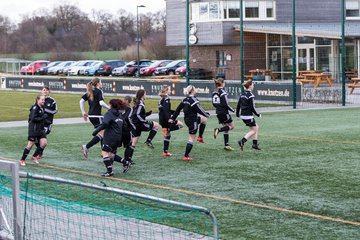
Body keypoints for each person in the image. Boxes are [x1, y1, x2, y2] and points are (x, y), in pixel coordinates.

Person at [170, 85, 210, 161]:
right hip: (192, 121)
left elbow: (177, 110)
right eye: (195, 89)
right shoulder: (194, 100)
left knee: (204, 119)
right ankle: (186, 156)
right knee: (191, 138)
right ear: (192, 90)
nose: (196, 90)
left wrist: (172, 118)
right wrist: (207, 114)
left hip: (187, 120)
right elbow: (200, 110)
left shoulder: (185, 100)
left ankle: (200, 137)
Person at [92, 99, 130, 177]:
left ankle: (110, 171)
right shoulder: (120, 115)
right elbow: (125, 127)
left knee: (104, 153)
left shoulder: (109, 113)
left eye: (109, 104)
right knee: (110, 154)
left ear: (112, 105)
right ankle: (125, 162)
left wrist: (96, 131)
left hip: (110, 137)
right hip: (118, 138)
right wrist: (125, 140)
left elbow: (105, 123)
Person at [80, 77, 110, 158]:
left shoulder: (90, 91)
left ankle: (103, 152)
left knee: (102, 133)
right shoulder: (99, 91)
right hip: (97, 116)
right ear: (97, 83)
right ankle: (86, 146)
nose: (101, 83)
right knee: (102, 133)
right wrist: (109, 108)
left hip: (91, 116)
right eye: (101, 82)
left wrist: (83, 112)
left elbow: (81, 101)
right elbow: (101, 103)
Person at [127, 89, 160, 162]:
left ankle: (128, 159)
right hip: (139, 124)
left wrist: (148, 113)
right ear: (142, 95)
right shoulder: (141, 103)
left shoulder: (137, 103)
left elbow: (138, 114)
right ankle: (148, 141)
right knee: (156, 125)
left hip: (134, 124)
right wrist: (144, 121)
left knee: (133, 143)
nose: (146, 95)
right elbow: (138, 114)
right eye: (145, 94)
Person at [19, 95, 48, 166]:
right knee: (30, 145)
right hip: (34, 129)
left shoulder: (42, 107)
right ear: (38, 100)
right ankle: (22, 159)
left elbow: (41, 117)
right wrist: (42, 118)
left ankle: (34, 156)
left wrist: (46, 121)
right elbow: (33, 119)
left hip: (40, 129)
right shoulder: (35, 108)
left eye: (44, 100)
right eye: (42, 100)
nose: (43, 101)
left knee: (44, 143)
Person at [236, 80, 261, 151]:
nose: (253, 85)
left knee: (255, 127)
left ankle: (255, 144)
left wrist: (237, 115)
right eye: (252, 84)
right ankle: (242, 141)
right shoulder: (250, 96)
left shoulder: (242, 95)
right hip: (248, 116)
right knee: (254, 130)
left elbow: (238, 106)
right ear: (250, 86)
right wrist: (258, 114)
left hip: (243, 116)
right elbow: (252, 107)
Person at [158, 85, 183, 157]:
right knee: (181, 125)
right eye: (169, 89)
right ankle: (169, 129)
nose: (170, 91)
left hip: (162, 120)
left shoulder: (161, 99)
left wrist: (175, 112)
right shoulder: (166, 99)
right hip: (166, 120)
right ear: (166, 91)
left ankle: (165, 152)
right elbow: (166, 110)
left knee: (167, 136)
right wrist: (169, 119)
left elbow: (165, 110)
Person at [33, 86, 58, 159]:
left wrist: (46, 110)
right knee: (35, 139)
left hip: (47, 123)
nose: (45, 91)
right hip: (39, 122)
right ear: (41, 91)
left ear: (49, 92)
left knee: (43, 138)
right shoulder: (39, 99)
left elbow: (55, 110)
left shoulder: (52, 100)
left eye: (47, 90)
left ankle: (39, 153)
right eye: (44, 90)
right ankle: (40, 150)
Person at [212, 78, 235, 151]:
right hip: (224, 112)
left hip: (218, 112)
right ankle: (218, 130)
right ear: (222, 83)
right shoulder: (223, 92)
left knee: (226, 128)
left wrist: (218, 108)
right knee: (231, 126)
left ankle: (226, 145)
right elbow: (225, 104)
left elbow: (214, 103)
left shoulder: (214, 92)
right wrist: (232, 109)